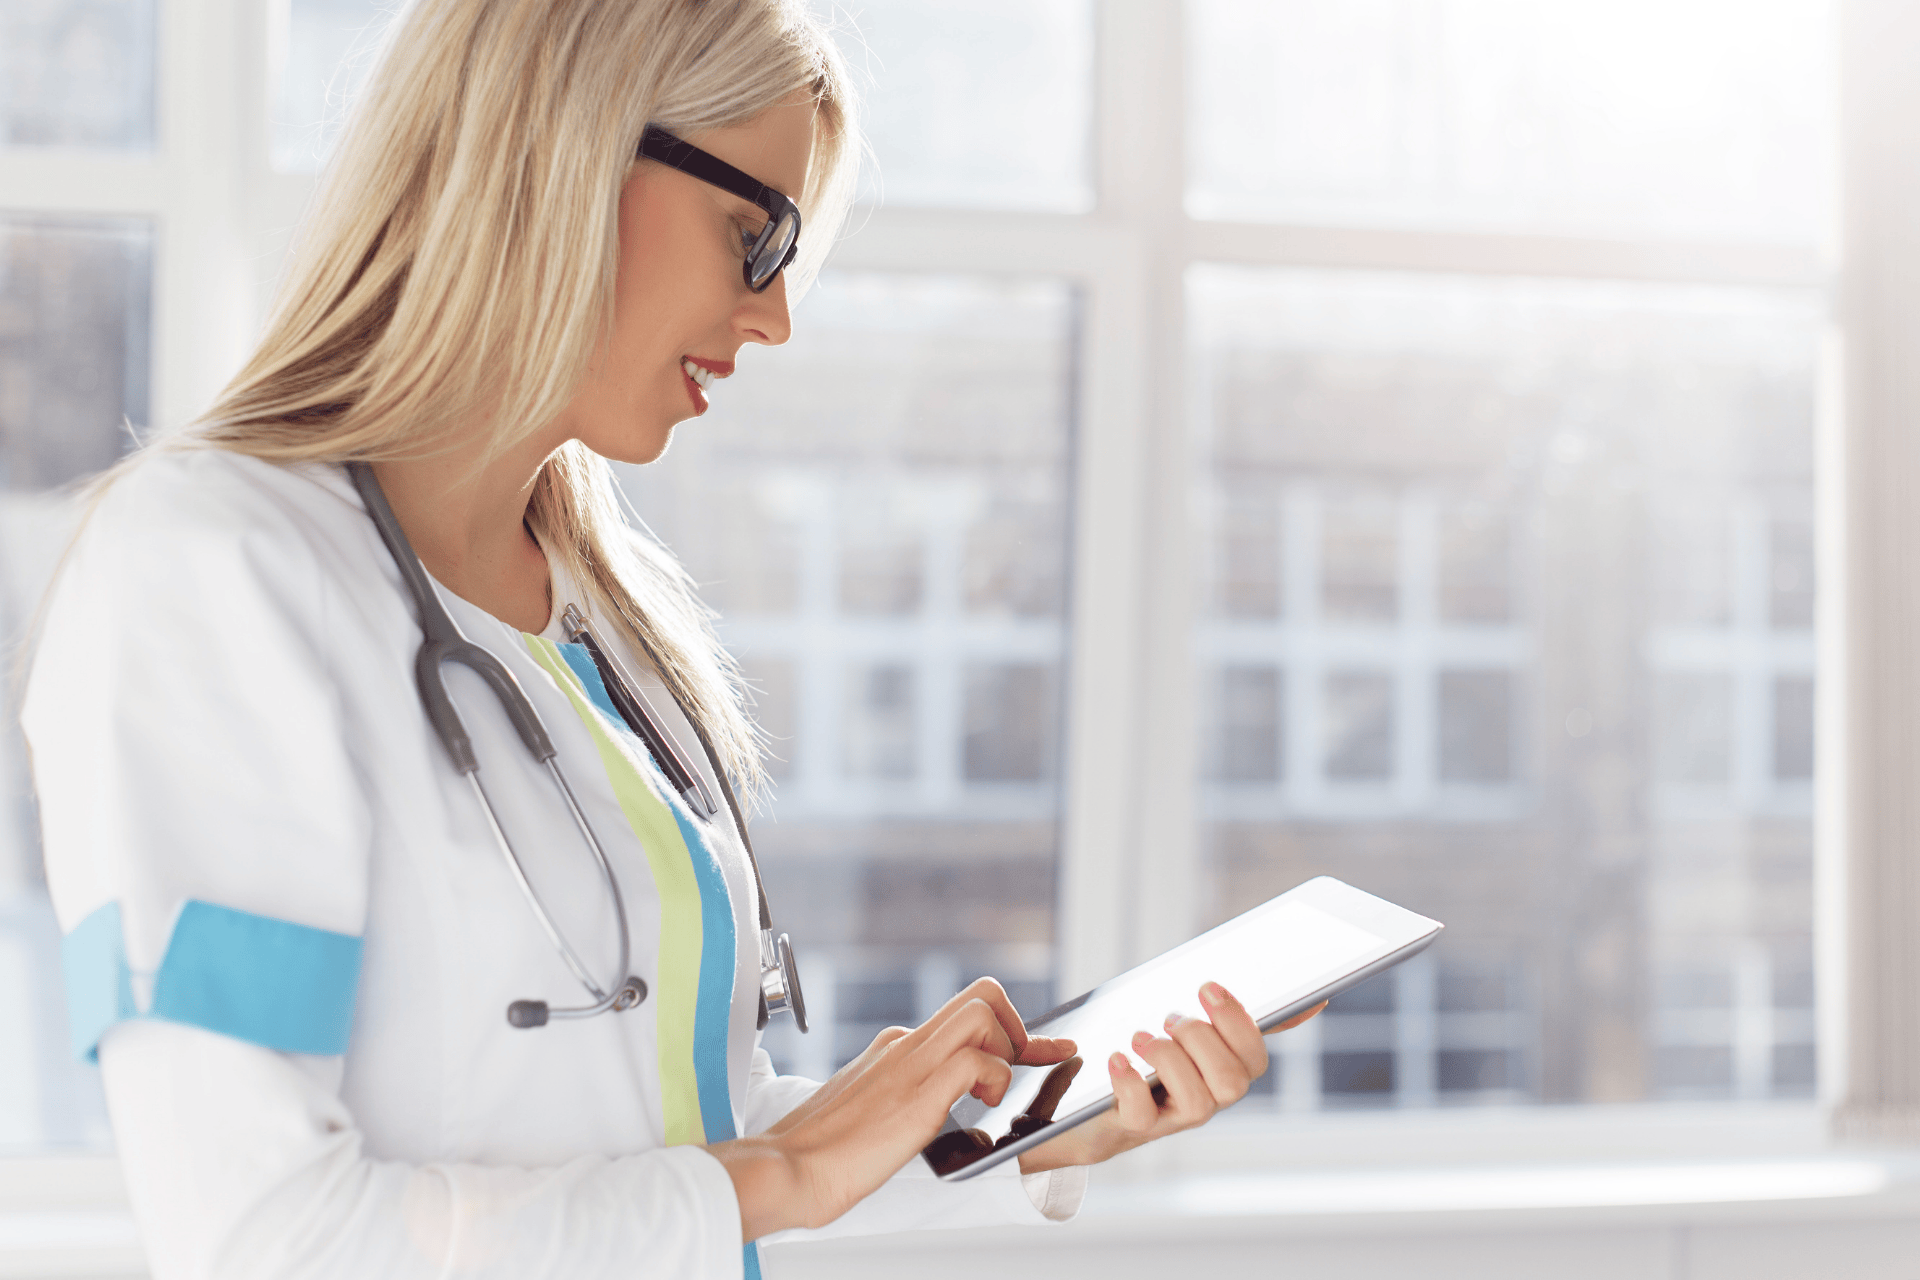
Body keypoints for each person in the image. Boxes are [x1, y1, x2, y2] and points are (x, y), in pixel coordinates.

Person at [23, 2, 1318, 1276]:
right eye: (756, 237)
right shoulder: (210, 569)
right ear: (562, 152)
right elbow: (262, 1237)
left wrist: (1027, 1131)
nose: (776, 317)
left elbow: (691, 1159)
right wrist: (794, 1166)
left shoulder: (604, 611)